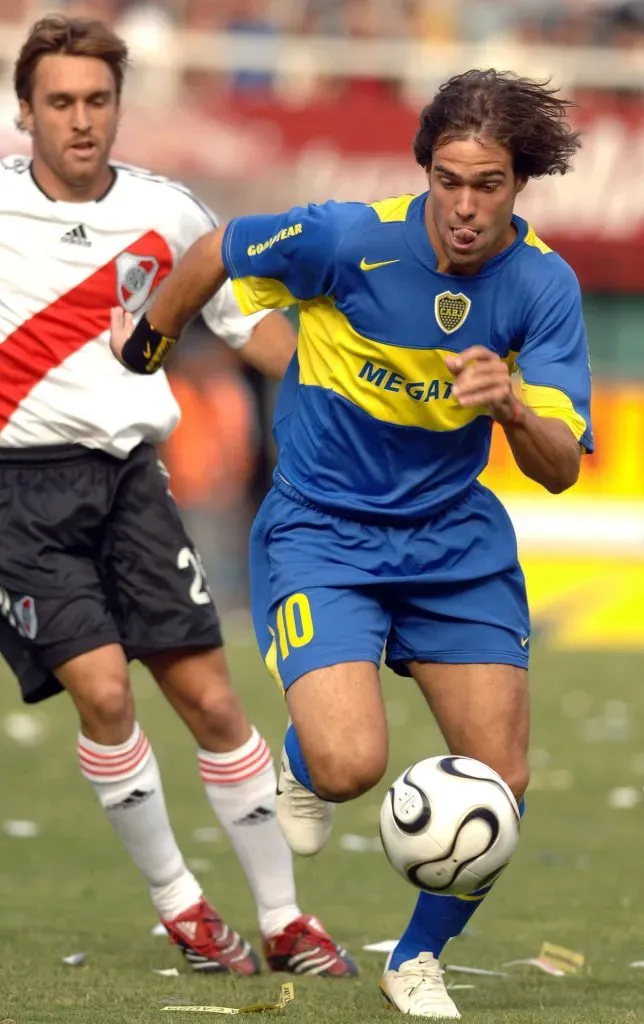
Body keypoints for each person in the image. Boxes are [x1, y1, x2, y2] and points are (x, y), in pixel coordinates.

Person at [110, 69, 593, 1017]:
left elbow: (561, 467)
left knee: (505, 779)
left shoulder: (545, 286)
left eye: (487, 184)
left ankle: (416, 959)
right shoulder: (345, 238)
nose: (464, 205)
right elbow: (216, 249)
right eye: (448, 179)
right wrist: (147, 345)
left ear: (519, 185)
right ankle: (304, 757)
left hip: (456, 544)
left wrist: (509, 408)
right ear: (423, 170)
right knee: (346, 769)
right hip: (322, 532)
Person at [0, 14, 357, 979]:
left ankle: (285, 919)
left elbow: (257, 336)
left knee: (208, 699)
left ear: (119, 107)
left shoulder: (174, 215)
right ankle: (184, 910)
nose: (81, 120)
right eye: (61, 103)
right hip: (13, 498)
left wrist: (365, 385)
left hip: (127, 484)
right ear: (25, 112)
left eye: (97, 101)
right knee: (105, 690)